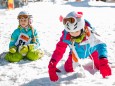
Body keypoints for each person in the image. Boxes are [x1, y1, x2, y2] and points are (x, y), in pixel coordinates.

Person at [48, 11, 112, 82]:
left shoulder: (89, 32)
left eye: (76, 31)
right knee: (68, 69)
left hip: (92, 51)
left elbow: (101, 44)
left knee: (100, 67)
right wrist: (53, 63)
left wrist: (103, 59)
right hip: (75, 54)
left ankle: (97, 60)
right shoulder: (66, 35)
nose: (73, 34)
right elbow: (59, 50)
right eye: (71, 32)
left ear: (82, 28)